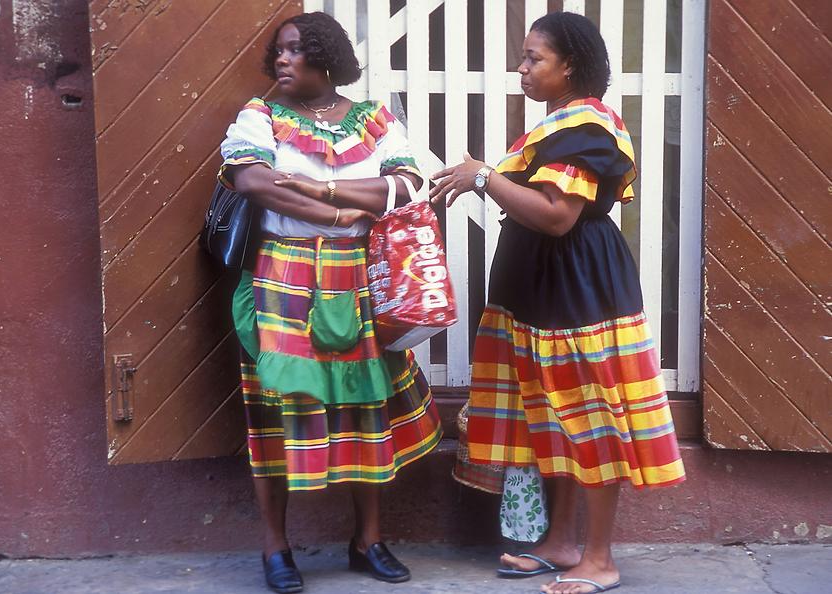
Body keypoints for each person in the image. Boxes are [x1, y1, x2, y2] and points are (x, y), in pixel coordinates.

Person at [431, 11, 685, 594]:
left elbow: (556, 215)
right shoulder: (561, 125)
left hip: (578, 291)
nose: (522, 69)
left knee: (591, 414)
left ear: (570, 65)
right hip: (543, 287)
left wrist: (481, 177)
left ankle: (599, 557)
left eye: (534, 59)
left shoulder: (586, 128)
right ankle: (561, 542)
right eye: (523, 58)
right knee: (550, 412)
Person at [217, 12, 442, 594]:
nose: (283, 61)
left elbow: (408, 188)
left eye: (296, 50)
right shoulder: (259, 117)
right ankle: (276, 548)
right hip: (280, 275)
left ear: (325, 55)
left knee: (366, 407)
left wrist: (317, 188)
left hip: (358, 280)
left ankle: (367, 539)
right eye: (280, 52)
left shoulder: (374, 119)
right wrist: (344, 211)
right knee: (275, 409)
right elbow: (254, 182)